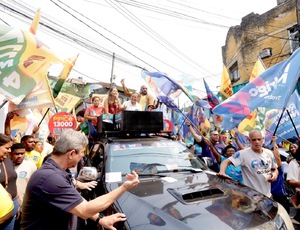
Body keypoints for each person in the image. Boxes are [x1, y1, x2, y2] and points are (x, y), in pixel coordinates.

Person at [21, 129, 139, 230]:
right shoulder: (50, 178)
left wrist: (100, 219)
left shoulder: (59, 170)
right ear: (71, 153)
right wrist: (124, 187)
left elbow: (75, 200)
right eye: (82, 153)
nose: (82, 157)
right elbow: (85, 210)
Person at [218, 130, 278, 197]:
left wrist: (274, 174)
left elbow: (274, 168)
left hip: (268, 195)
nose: (257, 142)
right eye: (254, 140)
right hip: (251, 196)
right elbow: (225, 162)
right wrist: (222, 172)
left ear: (263, 139)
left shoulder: (269, 153)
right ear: (249, 140)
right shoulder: (243, 154)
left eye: (259, 139)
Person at [9, 143, 37, 230]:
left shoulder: (31, 166)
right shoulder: (5, 166)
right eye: (17, 154)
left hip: (26, 207)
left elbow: (35, 185)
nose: (20, 156)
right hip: (9, 206)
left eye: (22, 154)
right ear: (10, 153)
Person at [0, 134, 19, 230]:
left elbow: (12, 181)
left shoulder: (7, 160)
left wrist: (17, 201)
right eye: (7, 148)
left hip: (12, 204)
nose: (10, 151)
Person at [270, 136, 290, 213]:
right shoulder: (263, 170)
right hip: (268, 197)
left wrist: (274, 142)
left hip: (280, 197)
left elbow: (277, 157)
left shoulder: (279, 169)